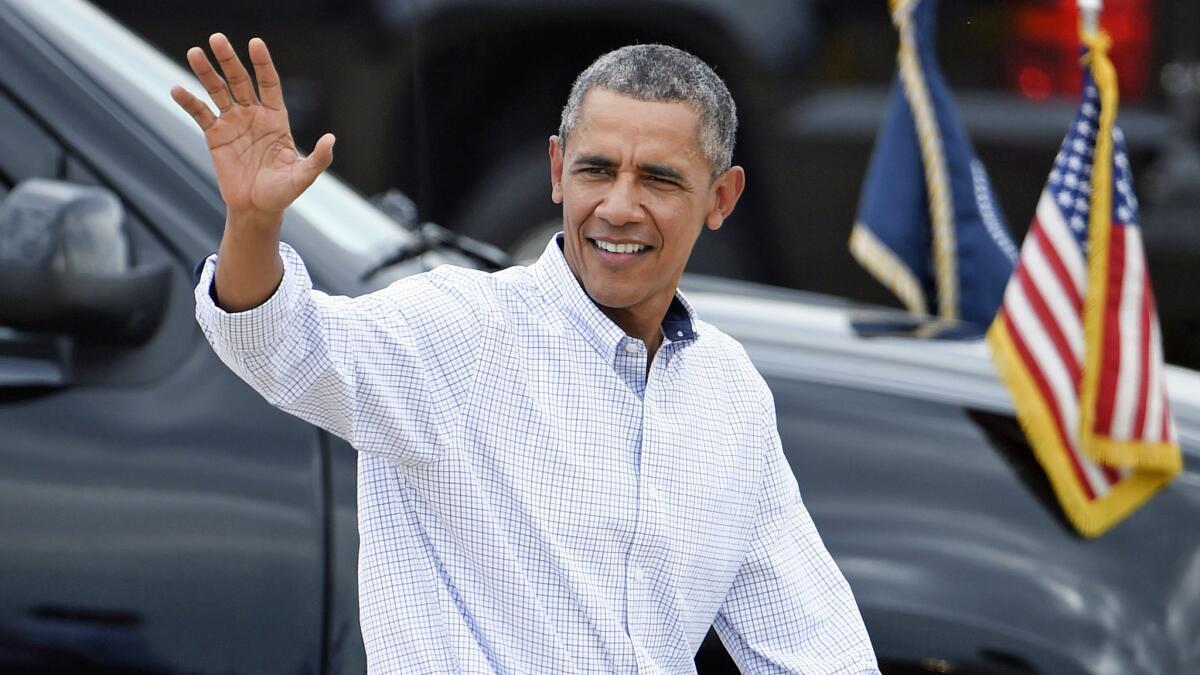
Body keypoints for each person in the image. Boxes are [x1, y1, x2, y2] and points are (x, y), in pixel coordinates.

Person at [173, 32, 879, 674]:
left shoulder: (729, 389)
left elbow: (815, 647)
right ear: (555, 170)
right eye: (596, 171)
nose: (619, 206)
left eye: (658, 179)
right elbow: (278, 343)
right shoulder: (461, 330)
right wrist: (254, 223)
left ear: (721, 197)